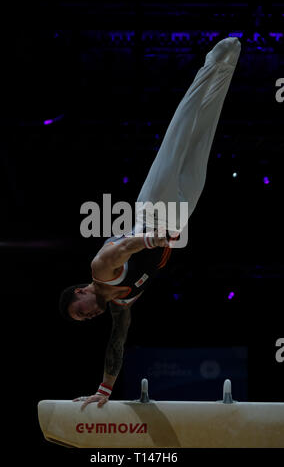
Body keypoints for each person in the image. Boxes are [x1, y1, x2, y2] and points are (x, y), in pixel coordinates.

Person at [59, 36, 241, 408]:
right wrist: (104, 390)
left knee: (180, 134)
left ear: (80, 290)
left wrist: (150, 241)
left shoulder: (100, 269)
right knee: (202, 138)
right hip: (178, 220)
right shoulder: (121, 304)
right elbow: (117, 342)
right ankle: (227, 70)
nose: (90, 315)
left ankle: (211, 62)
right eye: (85, 320)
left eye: (81, 311)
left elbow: (123, 246)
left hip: (151, 214)